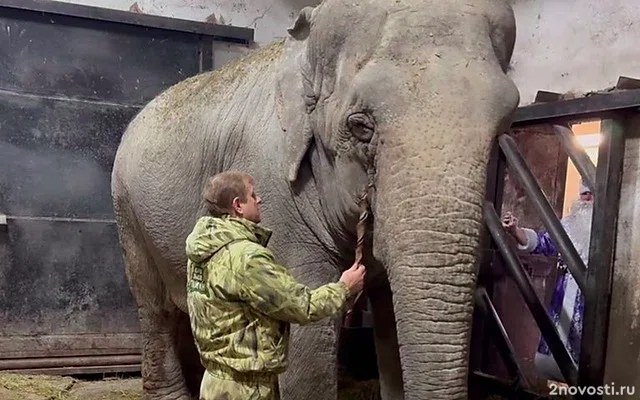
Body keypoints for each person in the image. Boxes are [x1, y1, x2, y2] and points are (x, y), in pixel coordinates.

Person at [185, 170, 366, 400]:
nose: (259, 199)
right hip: (247, 390)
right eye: (253, 195)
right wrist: (344, 287)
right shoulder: (247, 258)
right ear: (238, 206)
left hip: (214, 383)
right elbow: (302, 306)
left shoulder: (201, 250)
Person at [501, 178, 594, 381]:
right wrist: (516, 231)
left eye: (592, 194)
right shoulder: (568, 224)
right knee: (555, 352)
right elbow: (544, 242)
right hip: (563, 294)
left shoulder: (611, 229)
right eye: (584, 194)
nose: (587, 199)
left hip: (593, 297)